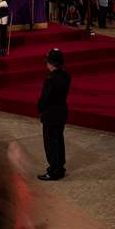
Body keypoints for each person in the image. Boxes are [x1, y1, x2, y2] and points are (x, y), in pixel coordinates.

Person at [37, 48, 70, 181]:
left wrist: (40, 108)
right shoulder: (66, 76)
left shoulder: (50, 79)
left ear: (51, 64)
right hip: (61, 112)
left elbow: (45, 99)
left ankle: (54, 171)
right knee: (59, 141)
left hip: (50, 115)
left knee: (50, 144)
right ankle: (60, 168)